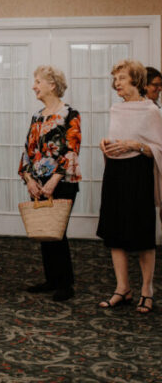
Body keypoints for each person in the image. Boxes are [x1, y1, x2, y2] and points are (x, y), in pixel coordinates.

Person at [97, 59, 162, 314]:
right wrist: (106, 143)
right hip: (115, 171)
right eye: (115, 79)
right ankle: (122, 288)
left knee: (142, 233)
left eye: (121, 78)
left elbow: (158, 148)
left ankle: (147, 290)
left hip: (139, 174)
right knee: (114, 231)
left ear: (136, 79)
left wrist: (136, 146)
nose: (117, 84)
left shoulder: (151, 111)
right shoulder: (116, 109)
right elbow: (117, 138)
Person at [19, 65, 82, 302]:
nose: (34, 86)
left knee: (58, 231)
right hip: (38, 182)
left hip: (63, 181)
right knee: (44, 230)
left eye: (37, 81)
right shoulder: (37, 116)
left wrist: (55, 179)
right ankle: (51, 279)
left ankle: (66, 284)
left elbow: (72, 148)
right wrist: (29, 179)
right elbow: (28, 150)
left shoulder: (70, 114)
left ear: (52, 85)